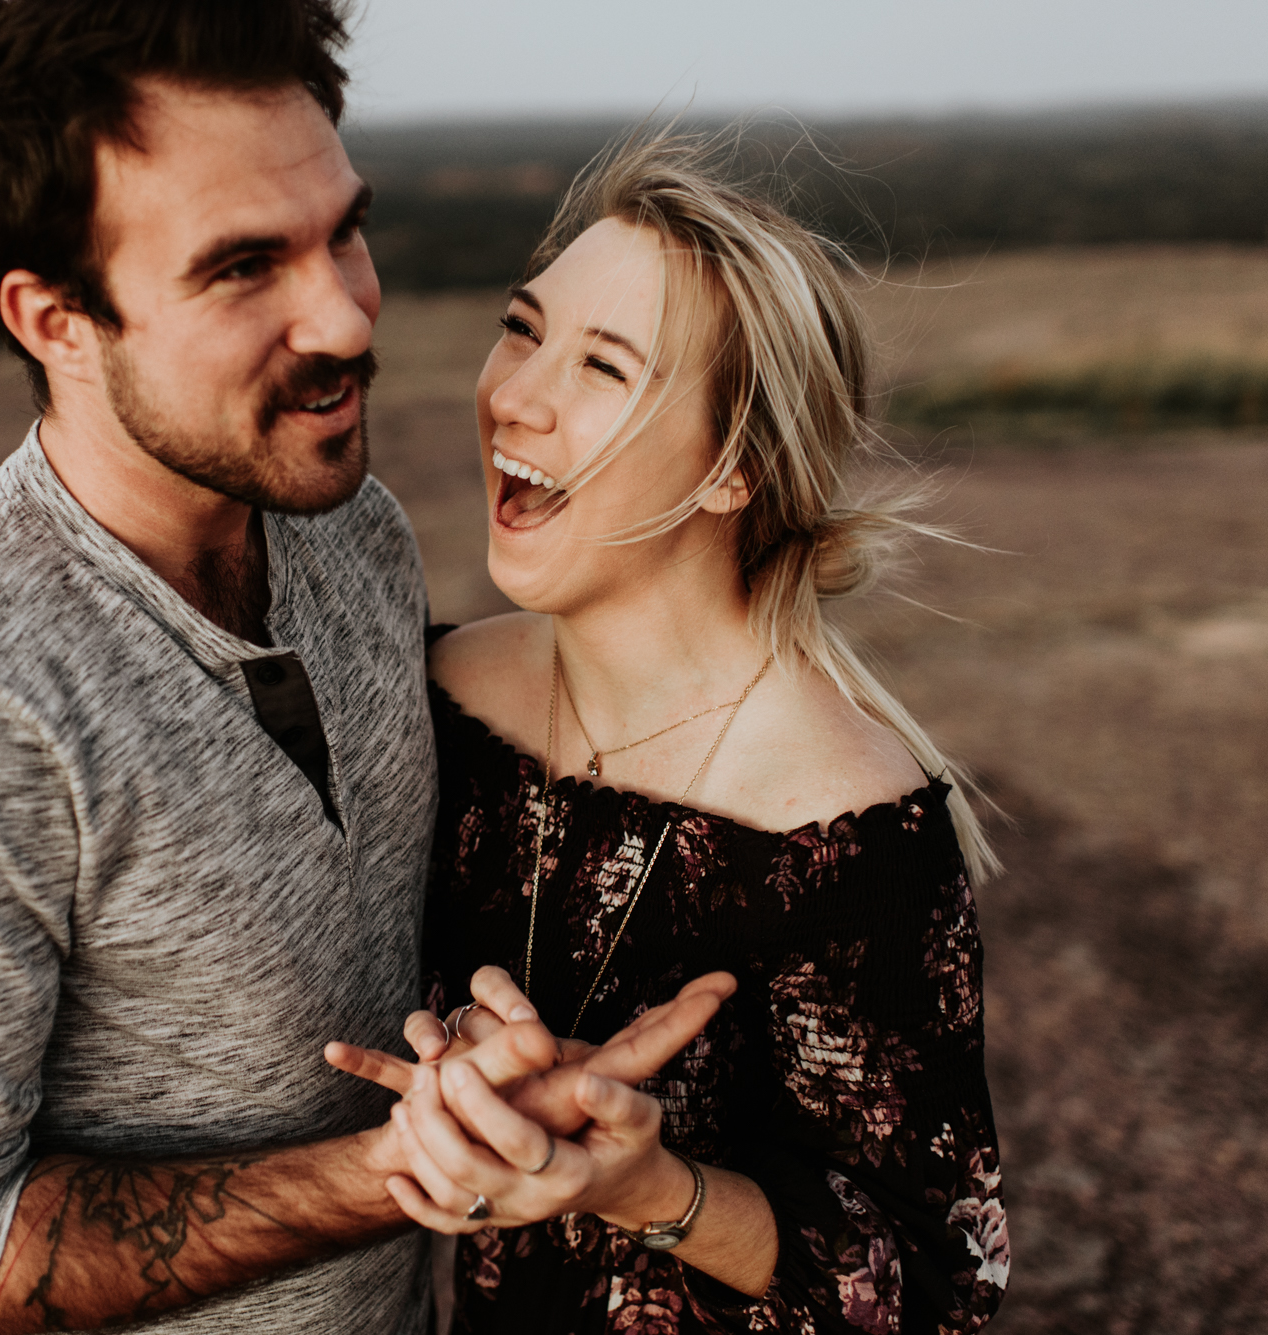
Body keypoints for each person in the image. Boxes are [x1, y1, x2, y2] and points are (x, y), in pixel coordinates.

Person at [0, 3, 726, 1333]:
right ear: (55, 319)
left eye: (345, 231)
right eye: (243, 268)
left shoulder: (348, 529)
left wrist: (480, 1063)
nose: (342, 315)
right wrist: (395, 1170)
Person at [329, 134, 1010, 1332]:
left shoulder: (842, 828)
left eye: (604, 368)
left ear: (731, 469)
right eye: (524, 327)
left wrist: (652, 1185)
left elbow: (933, 1290)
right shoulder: (431, 694)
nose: (515, 394)